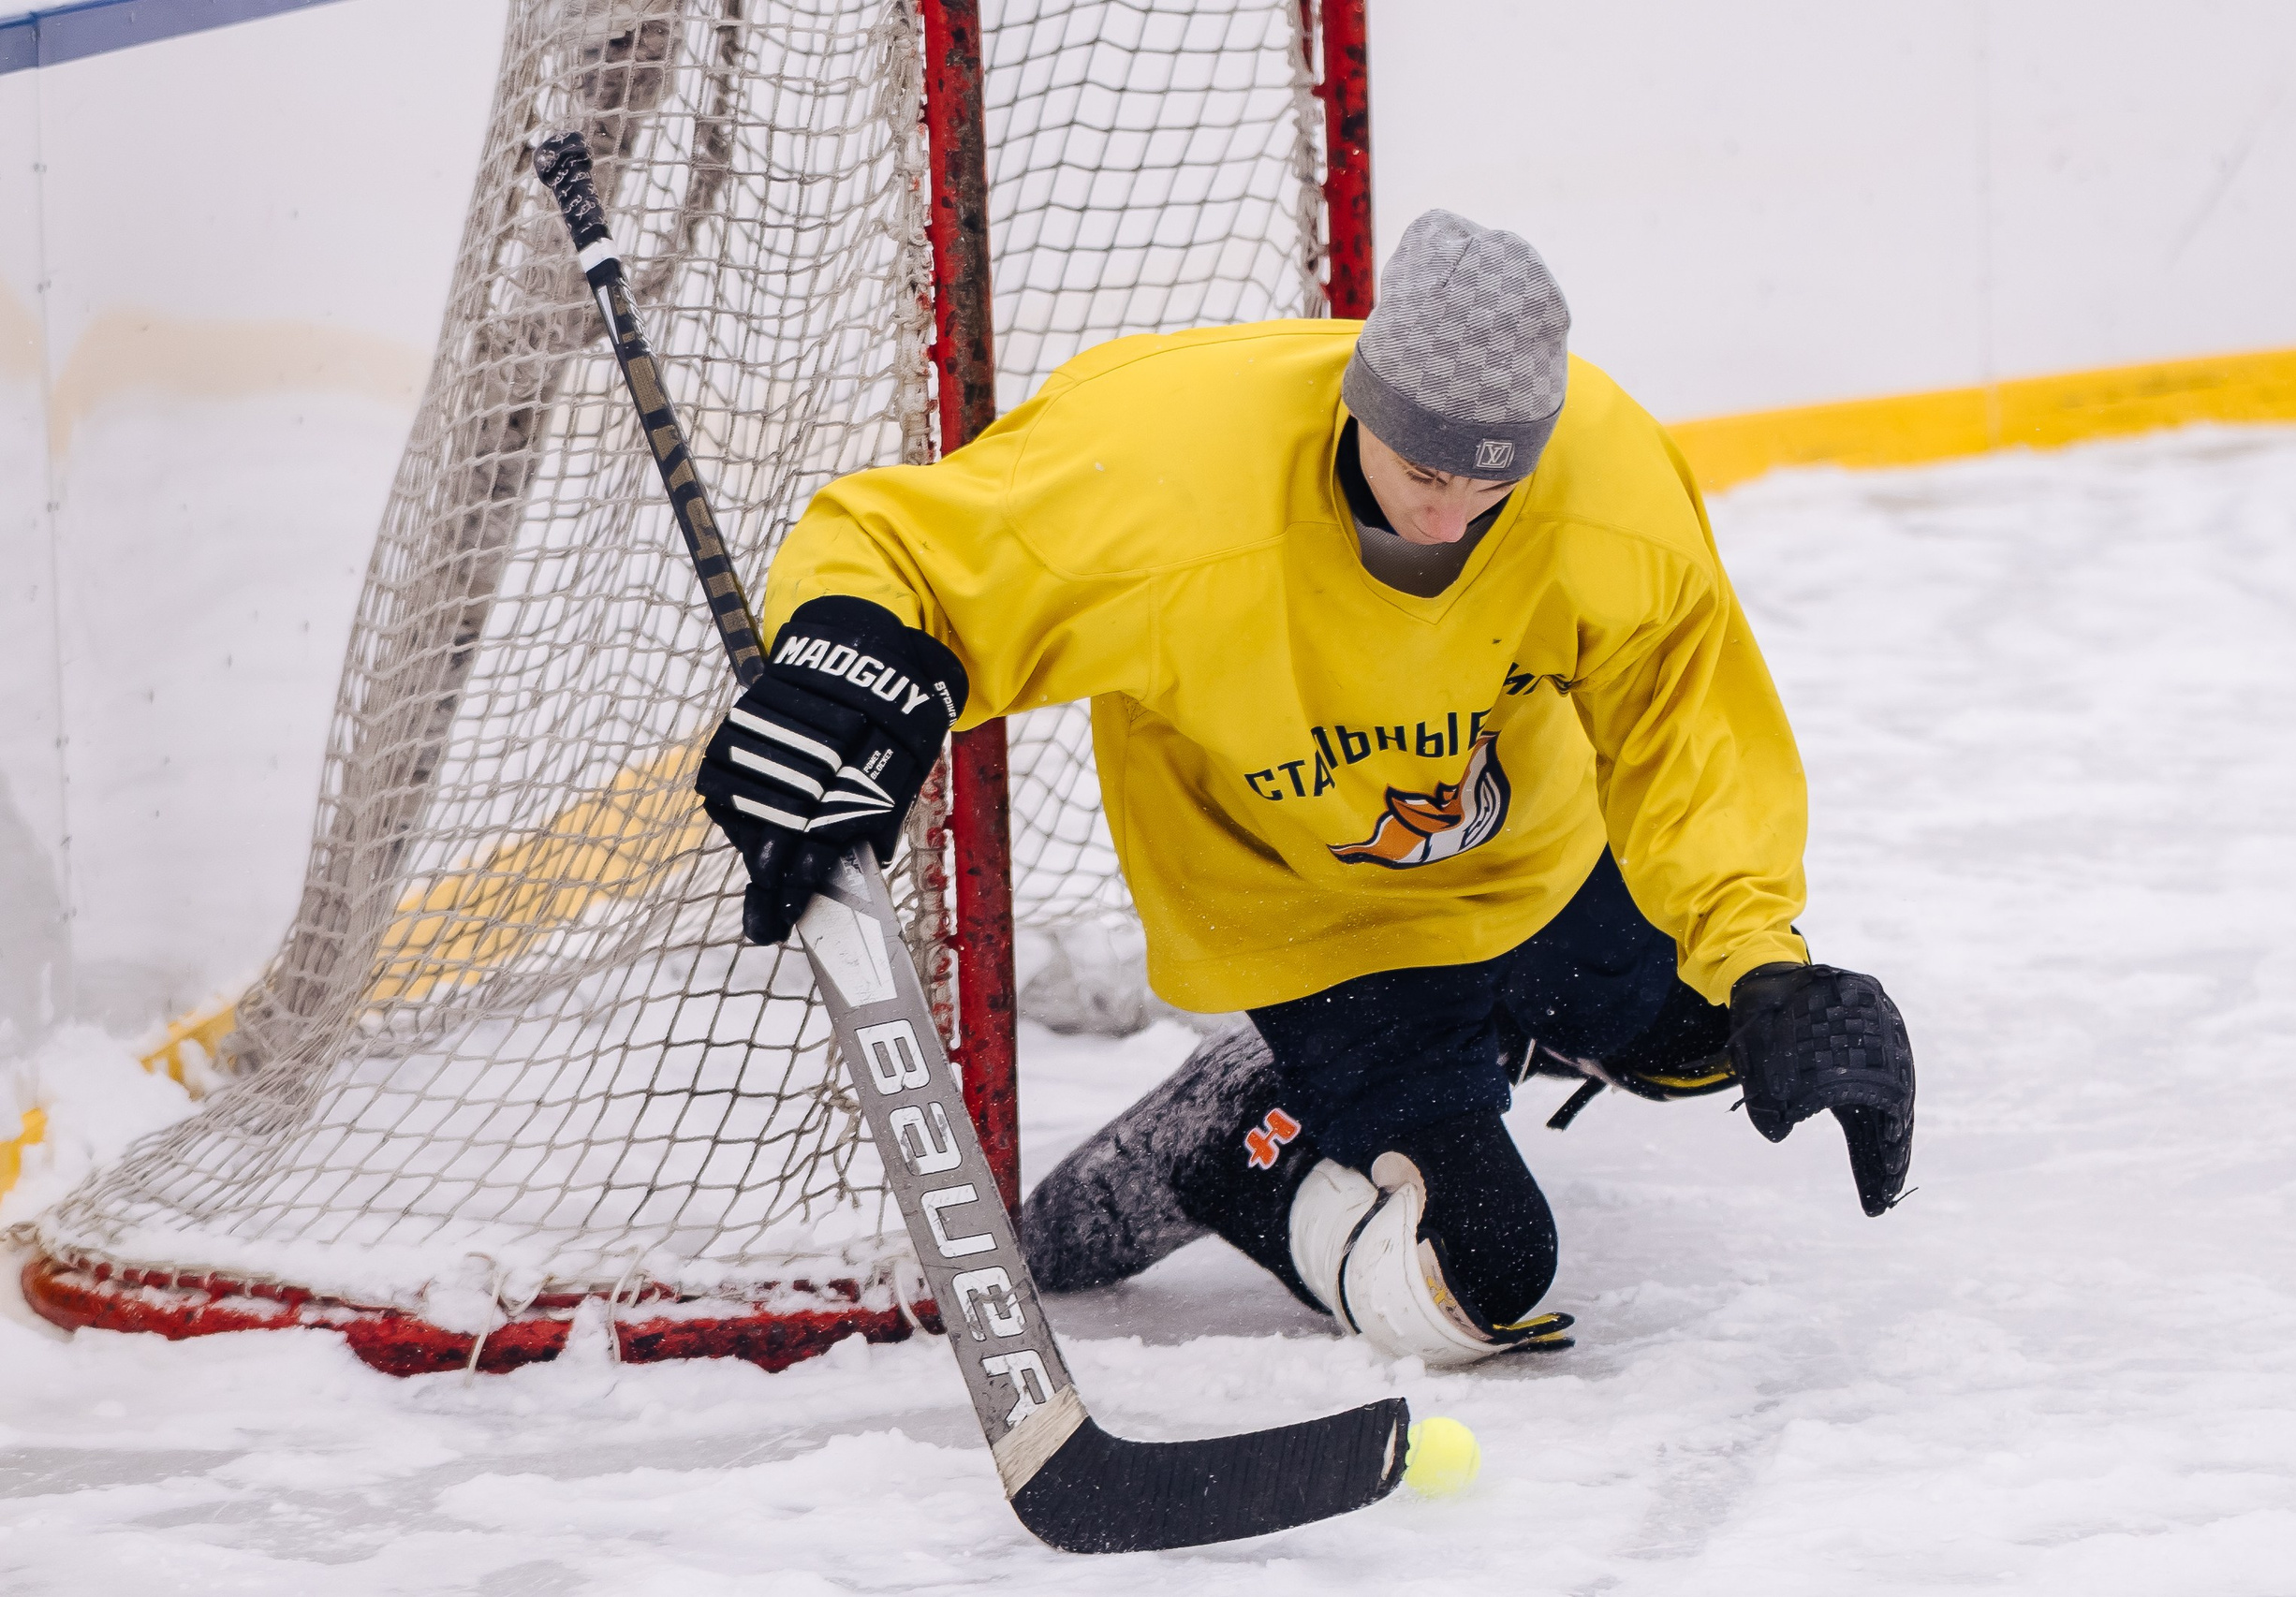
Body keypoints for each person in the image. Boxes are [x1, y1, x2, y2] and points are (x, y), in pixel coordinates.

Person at [695, 210, 1914, 1368]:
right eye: (1423, 464)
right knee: (1483, 1265)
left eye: (1493, 478)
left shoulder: (1606, 483)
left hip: (1532, 860)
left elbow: (1684, 736)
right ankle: (1228, 1139)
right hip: (1310, 921)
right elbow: (899, 542)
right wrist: (843, 657)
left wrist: (1769, 960)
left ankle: (1494, 1024)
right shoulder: (1177, 472)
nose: (1450, 511)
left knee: (1712, 1038)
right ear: (1361, 398)